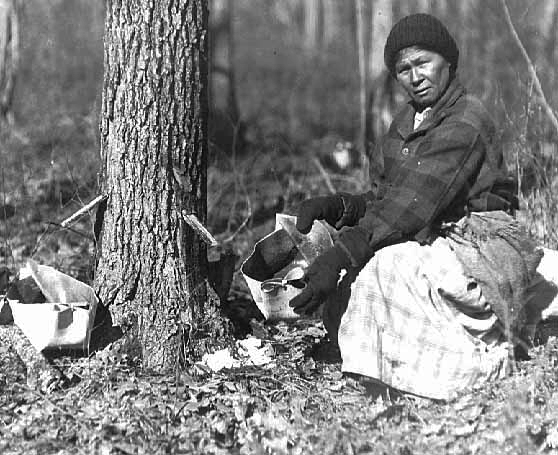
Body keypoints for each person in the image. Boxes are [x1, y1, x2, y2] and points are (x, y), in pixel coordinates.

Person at [289, 13, 555, 400]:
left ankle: (475, 365)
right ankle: (390, 362)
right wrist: (340, 206)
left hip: (477, 242)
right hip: (430, 233)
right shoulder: (404, 122)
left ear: (447, 61)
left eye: (423, 63)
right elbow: (389, 198)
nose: (415, 76)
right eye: (403, 69)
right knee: (367, 273)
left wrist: (343, 252)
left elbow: (414, 205)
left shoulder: (466, 119)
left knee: (385, 266)